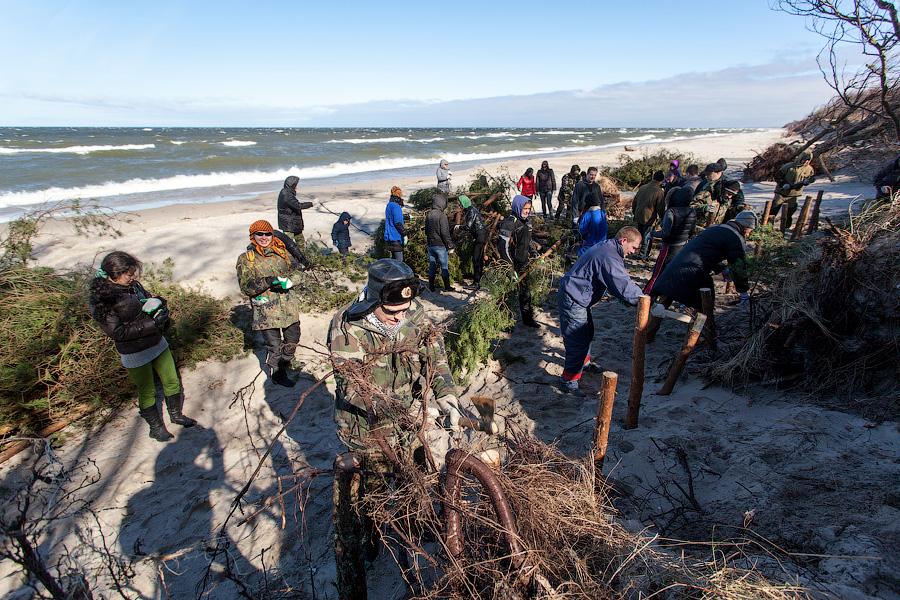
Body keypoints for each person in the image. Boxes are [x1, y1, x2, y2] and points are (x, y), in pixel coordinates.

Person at [327, 259, 479, 589]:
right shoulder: (347, 327)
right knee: (375, 490)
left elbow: (436, 361)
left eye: (404, 309)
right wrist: (406, 412)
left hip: (412, 420)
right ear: (373, 302)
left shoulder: (416, 314)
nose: (399, 317)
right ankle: (373, 539)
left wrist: (447, 397)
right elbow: (355, 388)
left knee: (418, 476)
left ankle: (420, 522)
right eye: (391, 311)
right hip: (367, 428)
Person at [89, 251, 196, 442]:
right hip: (135, 352)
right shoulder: (103, 299)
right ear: (114, 274)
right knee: (148, 390)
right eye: (129, 274)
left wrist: (159, 303)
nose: (133, 277)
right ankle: (156, 428)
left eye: (133, 272)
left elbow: (147, 300)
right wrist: (152, 325)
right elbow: (117, 332)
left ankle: (176, 415)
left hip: (157, 343)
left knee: (172, 380)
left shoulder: (133, 286)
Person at [556, 227, 644, 393]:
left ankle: (584, 364)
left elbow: (617, 280)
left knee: (588, 332)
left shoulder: (610, 249)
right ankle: (568, 381)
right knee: (578, 339)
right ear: (624, 240)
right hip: (573, 296)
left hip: (579, 295)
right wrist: (643, 300)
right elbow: (621, 283)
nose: (635, 251)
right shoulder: (608, 255)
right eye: (634, 247)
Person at [236, 219, 306, 387]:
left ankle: (286, 362)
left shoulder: (282, 253)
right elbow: (246, 287)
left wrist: (291, 281)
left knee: (293, 338)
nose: (264, 237)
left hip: (289, 307)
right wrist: (269, 281)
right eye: (259, 234)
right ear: (253, 236)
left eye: (268, 233)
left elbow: (298, 271)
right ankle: (277, 374)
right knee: (274, 346)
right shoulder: (246, 259)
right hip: (266, 311)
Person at [650, 211, 756, 312]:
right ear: (746, 227)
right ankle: (705, 328)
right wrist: (743, 292)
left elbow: (705, 252)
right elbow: (738, 266)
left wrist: (721, 269)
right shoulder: (735, 238)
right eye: (751, 230)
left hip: (675, 267)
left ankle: (648, 328)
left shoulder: (716, 228)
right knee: (705, 306)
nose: (749, 234)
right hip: (692, 272)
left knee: (662, 304)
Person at [644, 187, 697, 294]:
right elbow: (692, 232)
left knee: (657, 273)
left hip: (668, 247)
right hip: (682, 247)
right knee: (673, 272)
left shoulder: (671, 212)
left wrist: (652, 233)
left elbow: (665, 233)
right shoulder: (692, 211)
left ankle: (647, 295)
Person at [498, 195, 540, 328]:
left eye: (529, 208)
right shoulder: (509, 223)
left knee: (525, 292)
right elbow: (503, 248)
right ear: (517, 207)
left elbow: (528, 241)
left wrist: (533, 253)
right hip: (510, 264)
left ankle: (527, 319)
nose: (527, 211)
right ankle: (506, 322)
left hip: (523, 263)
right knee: (508, 294)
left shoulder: (527, 222)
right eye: (525, 208)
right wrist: (509, 269)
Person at [772, 150, 815, 233]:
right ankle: (767, 226)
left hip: (794, 194)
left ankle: (786, 228)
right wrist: (783, 184)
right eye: (805, 159)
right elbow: (777, 176)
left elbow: (812, 178)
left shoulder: (809, 169)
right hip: (781, 193)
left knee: (790, 212)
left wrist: (807, 181)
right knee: (774, 209)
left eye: (808, 160)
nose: (806, 162)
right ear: (800, 158)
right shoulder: (789, 166)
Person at [425, 192, 455, 293]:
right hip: (440, 246)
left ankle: (431, 287)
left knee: (432, 266)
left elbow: (426, 231)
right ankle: (447, 287)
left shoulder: (429, 215)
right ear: (442, 203)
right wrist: (450, 245)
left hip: (430, 245)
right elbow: (445, 233)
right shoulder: (442, 216)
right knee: (444, 267)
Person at [632, 170, 666, 255]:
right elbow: (660, 207)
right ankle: (643, 255)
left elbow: (634, 202)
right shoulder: (659, 191)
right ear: (661, 180)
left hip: (638, 214)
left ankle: (637, 251)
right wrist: (662, 217)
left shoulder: (643, 187)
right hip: (649, 217)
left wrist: (634, 212)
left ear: (653, 177)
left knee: (640, 235)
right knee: (647, 236)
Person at [458, 195, 487, 288]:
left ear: (463, 204)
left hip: (480, 236)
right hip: (480, 235)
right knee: (479, 258)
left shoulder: (471, 211)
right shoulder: (470, 209)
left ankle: (476, 282)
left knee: (476, 259)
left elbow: (468, 226)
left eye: (459, 204)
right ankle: (479, 281)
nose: (458, 205)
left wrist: (458, 227)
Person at [276, 176, 314, 244]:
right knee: (288, 245)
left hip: (294, 223)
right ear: (292, 185)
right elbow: (298, 205)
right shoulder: (286, 194)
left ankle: (303, 254)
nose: (297, 187)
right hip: (289, 225)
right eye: (295, 185)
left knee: (301, 243)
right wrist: (311, 204)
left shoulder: (286, 192)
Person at [578, 191, 608, 256]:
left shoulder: (588, 215)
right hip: (602, 245)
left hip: (590, 244)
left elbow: (581, 230)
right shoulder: (602, 213)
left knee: (580, 254)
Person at [384, 186, 406, 262]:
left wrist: (405, 217)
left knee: (393, 261)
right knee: (399, 262)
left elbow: (392, 218)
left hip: (388, 237)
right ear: (399, 195)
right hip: (395, 237)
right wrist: (405, 234)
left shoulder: (389, 205)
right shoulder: (396, 206)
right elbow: (398, 223)